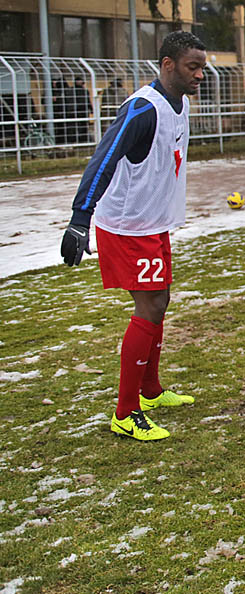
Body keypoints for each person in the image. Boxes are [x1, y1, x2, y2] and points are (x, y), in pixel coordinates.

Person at [60, 31, 207, 442]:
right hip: (126, 226)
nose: (200, 75)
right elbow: (103, 158)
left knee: (161, 300)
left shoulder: (181, 105)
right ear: (167, 65)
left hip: (152, 222)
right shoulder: (143, 109)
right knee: (151, 304)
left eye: (202, 67)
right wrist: (79, 219)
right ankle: (126, 413)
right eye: (192, 67)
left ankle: (151, 390)